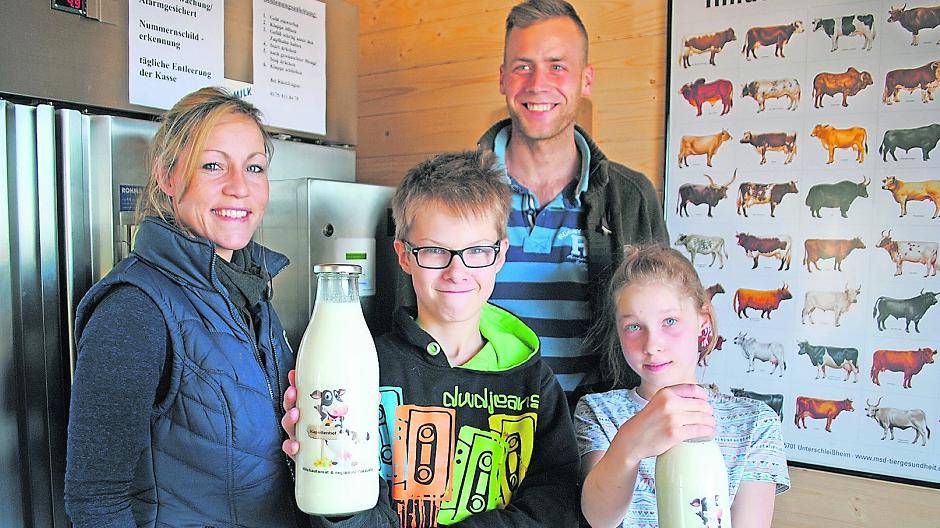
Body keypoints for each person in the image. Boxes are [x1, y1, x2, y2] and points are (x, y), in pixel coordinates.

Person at [282, 150, 579, 527]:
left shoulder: (533, 381)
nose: (457, 271)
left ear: (500, 255)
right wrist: (325, 474)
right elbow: (351, 509)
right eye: (436, 250)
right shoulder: (366, 368)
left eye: (476, 251)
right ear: (404, 255)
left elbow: (556, 503)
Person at [64, 87, 303, 527]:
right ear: (168, 177)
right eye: (213, 165)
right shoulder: (134, 310)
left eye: (254, 167)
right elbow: (95, 501)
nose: (238, 187)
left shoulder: (249, 292)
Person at [480, 0, 669, 406]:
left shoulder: (631, 197)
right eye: (522, 66)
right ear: (502, 79)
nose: (537, 83)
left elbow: (666, 329)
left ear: (586, 80)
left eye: (557, 66)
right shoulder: (456, 190)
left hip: (593, 444)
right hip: (474, 439)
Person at [575, 244, 789, 528]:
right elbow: (598, 518)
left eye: (670, 321)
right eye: (634, 327)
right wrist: (629, 445)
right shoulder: (599, 411)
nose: (652, 345)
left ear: (703, 321)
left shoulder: (755, 423)